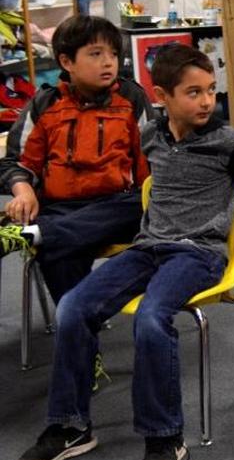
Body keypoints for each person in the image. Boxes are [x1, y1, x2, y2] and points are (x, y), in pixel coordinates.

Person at [14, 43, 234, 460]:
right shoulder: (150, 135)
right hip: (149, 246)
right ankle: (71, 426)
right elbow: (143, 190)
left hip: (198, 253)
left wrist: (229, 244)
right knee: (74, 306)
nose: (207, 100)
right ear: (162, 96)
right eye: (193, 93)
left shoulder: (231, 143)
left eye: (210, 90)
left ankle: (164, 436)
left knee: (151, 318)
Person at [0, 15, 154, 304]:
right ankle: (82, 342)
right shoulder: (45, 104)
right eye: (96, 54)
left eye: (113, 54)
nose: (109, 62)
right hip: (62, 209)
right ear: (67, 62)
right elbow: (15, 163)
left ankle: (35, 234)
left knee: (143, 203)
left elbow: (152, 164)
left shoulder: (132, 98)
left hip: (118, 207)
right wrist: (23, 191)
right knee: (60, 248)